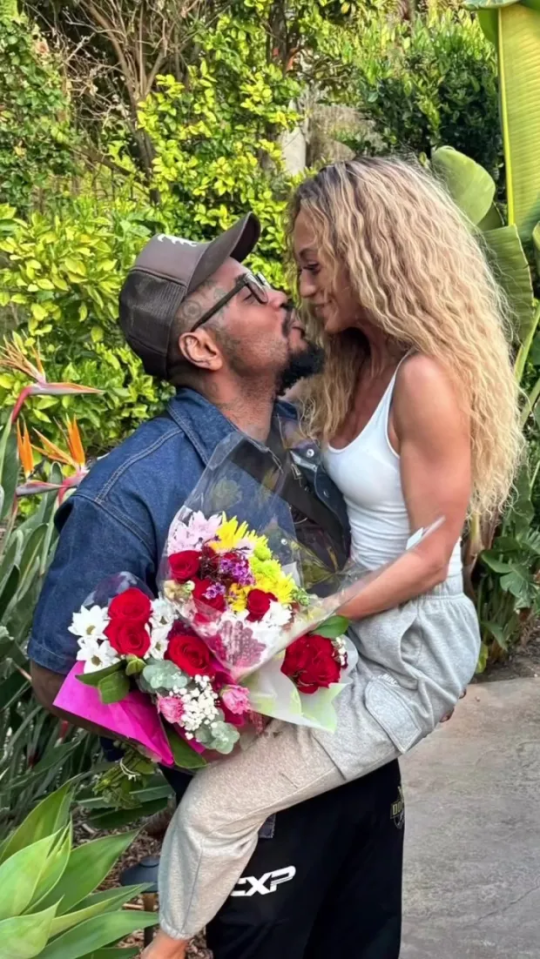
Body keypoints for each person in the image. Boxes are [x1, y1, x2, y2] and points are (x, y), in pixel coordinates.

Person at [144, 157, 522, 959]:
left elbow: (432, 555)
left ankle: (163, 949)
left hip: (397, 647)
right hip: (351, 632)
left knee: (215, 805)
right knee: (214, 719)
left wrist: (310, 620)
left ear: (371, 249)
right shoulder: (355, 363)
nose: (302, 287)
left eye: (313, 264)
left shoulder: (422, 376)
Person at [28, 213, 405, 959]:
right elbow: (53, 672)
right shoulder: (132, 489)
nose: (277, 299)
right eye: (249, 292)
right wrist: (196, 723)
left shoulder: (310, 434)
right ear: (201, 345)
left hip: (362, 771)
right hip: (260, 823)